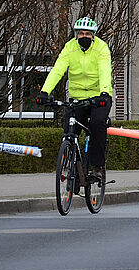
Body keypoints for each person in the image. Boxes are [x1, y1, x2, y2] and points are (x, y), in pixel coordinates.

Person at [38, 17, 114, 180]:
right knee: (69, 127)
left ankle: (98, 167)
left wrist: (104, 93)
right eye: (80, 33)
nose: (84, 37)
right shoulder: (70, 48)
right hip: (77, 98)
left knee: (96, 123)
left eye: (87, 34)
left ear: (93, 35)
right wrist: (45, 91)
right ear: (75, 35)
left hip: (98, 97)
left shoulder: (101, 48)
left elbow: (104, 71)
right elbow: (58, 70)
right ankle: (71, 163)